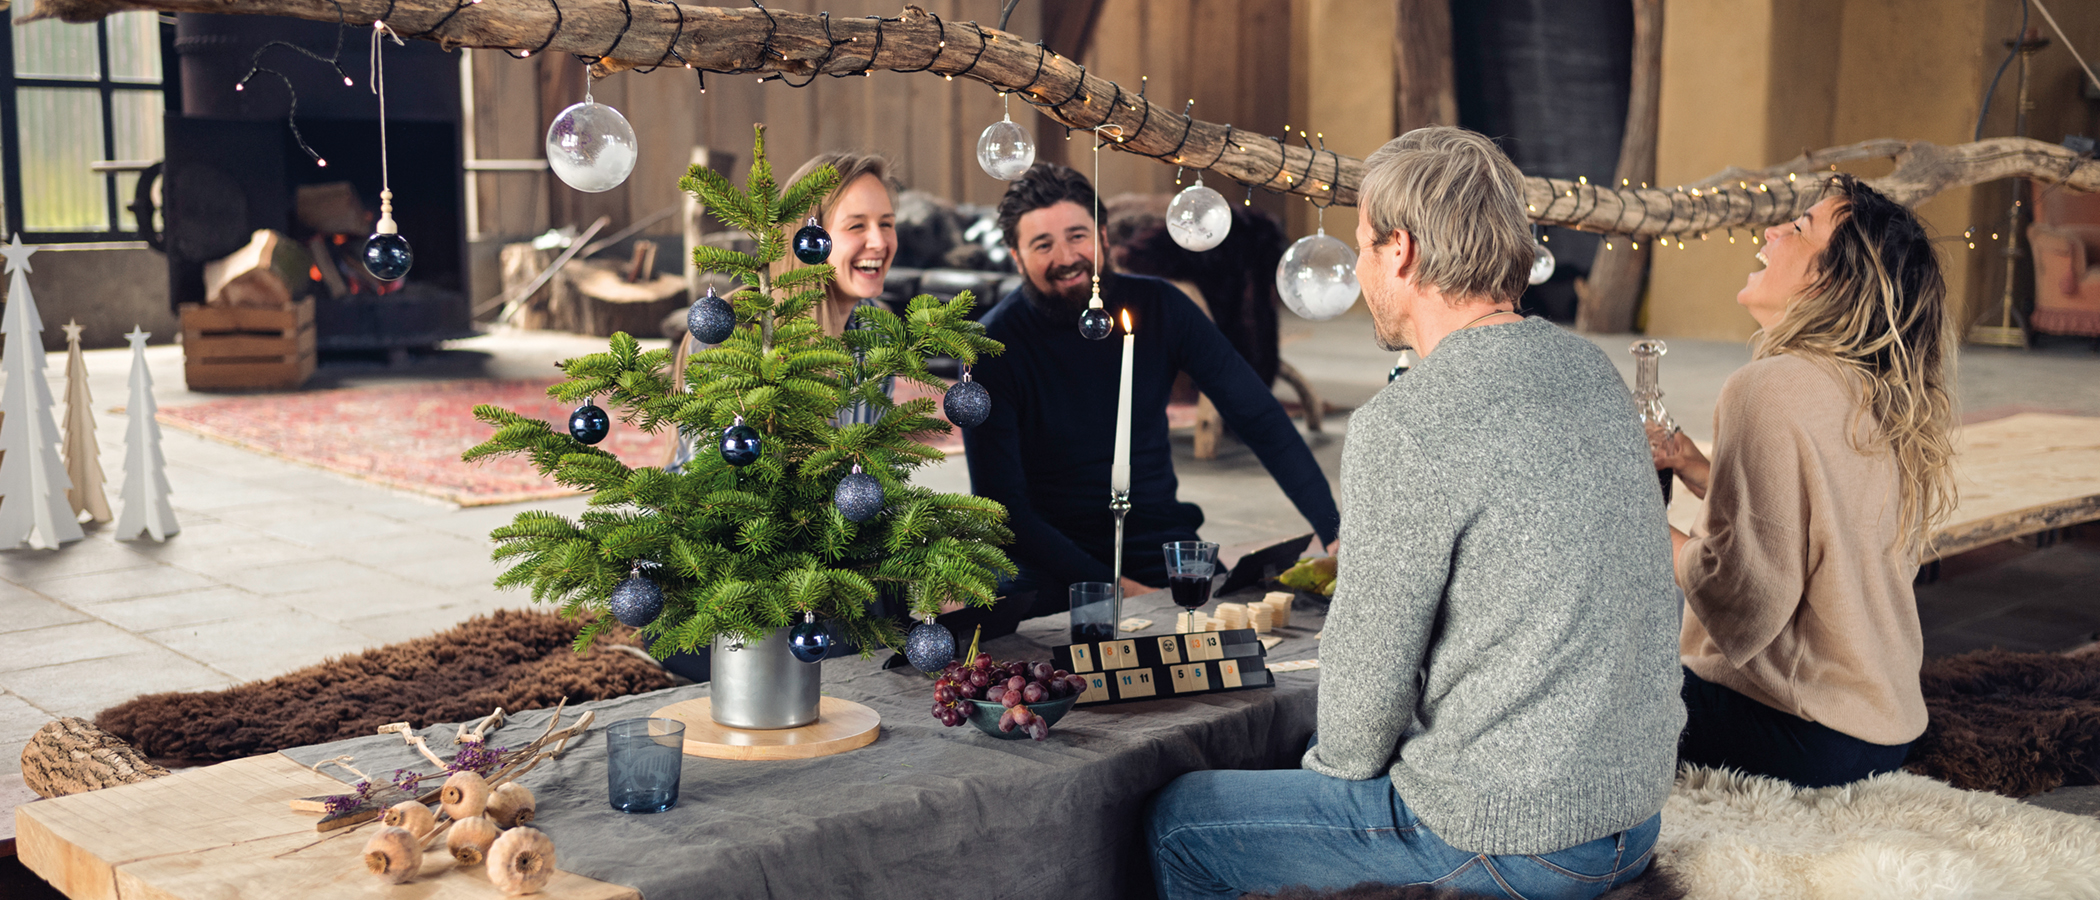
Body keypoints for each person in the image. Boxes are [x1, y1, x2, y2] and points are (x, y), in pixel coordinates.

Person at [1145, 127, 1683, 900]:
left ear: (1400, 250)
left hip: (1517, 838)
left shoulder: (1406, 423)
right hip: (1632, 813)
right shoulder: (1588, 368)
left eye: (1363, 245)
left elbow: (1361, 716)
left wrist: (1326, 788)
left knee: (1186, 821)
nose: (1361, 269)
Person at [1651, 173, 1954, 788]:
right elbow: (1824, 520)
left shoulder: (1766, 388)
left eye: (1797, 228)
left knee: (1593, 683)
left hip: (1800, 731)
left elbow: (1742, 598)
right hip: (1883, 727)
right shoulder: (1874, 387)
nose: (1770, 231)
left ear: (1828, 280)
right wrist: (1702, 471)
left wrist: (1647, 528)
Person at [962, 163, 1340, 631]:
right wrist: (1116, 588)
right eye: (1043, 244)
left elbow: (1259, 417)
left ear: (1102, 237)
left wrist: (1333, 528)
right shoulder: (991, 347)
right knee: (1015, 632)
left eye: (1077, 236)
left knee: (1240, 633)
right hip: (1048, 553)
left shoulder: (1161, 306)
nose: (1066, 257)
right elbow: (1003, 509)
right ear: (1016, 257)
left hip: (1155, 538)